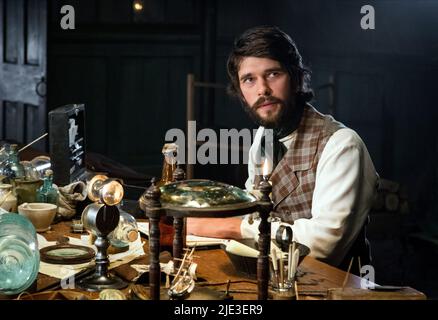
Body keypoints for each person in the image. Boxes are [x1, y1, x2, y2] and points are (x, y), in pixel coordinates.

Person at [187, 25, 379, 269]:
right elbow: (254, 210)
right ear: (239, 90)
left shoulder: (341, 144)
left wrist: (229, 226)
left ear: (296, 78)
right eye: (249, 79)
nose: (263, 89)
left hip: (333, 287)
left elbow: (323, 245)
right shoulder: (263, 138)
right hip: (275, 278)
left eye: (273, 74)